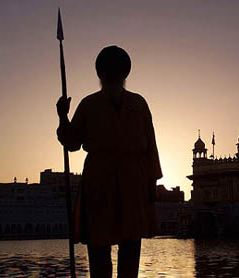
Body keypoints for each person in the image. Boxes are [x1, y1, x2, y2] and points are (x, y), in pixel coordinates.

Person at [56, 45, 162, 278]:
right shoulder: (89, 104)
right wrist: (63, 116)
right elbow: (72, 142)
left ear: (124, 74)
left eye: (117, 70)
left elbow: (151, 147)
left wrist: (151, 186)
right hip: (99, 182)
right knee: (99, 246)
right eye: (109, 70)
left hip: (133, 181)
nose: (113, 75)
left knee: (131, 246)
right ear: (102, 74)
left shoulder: (139, 104)